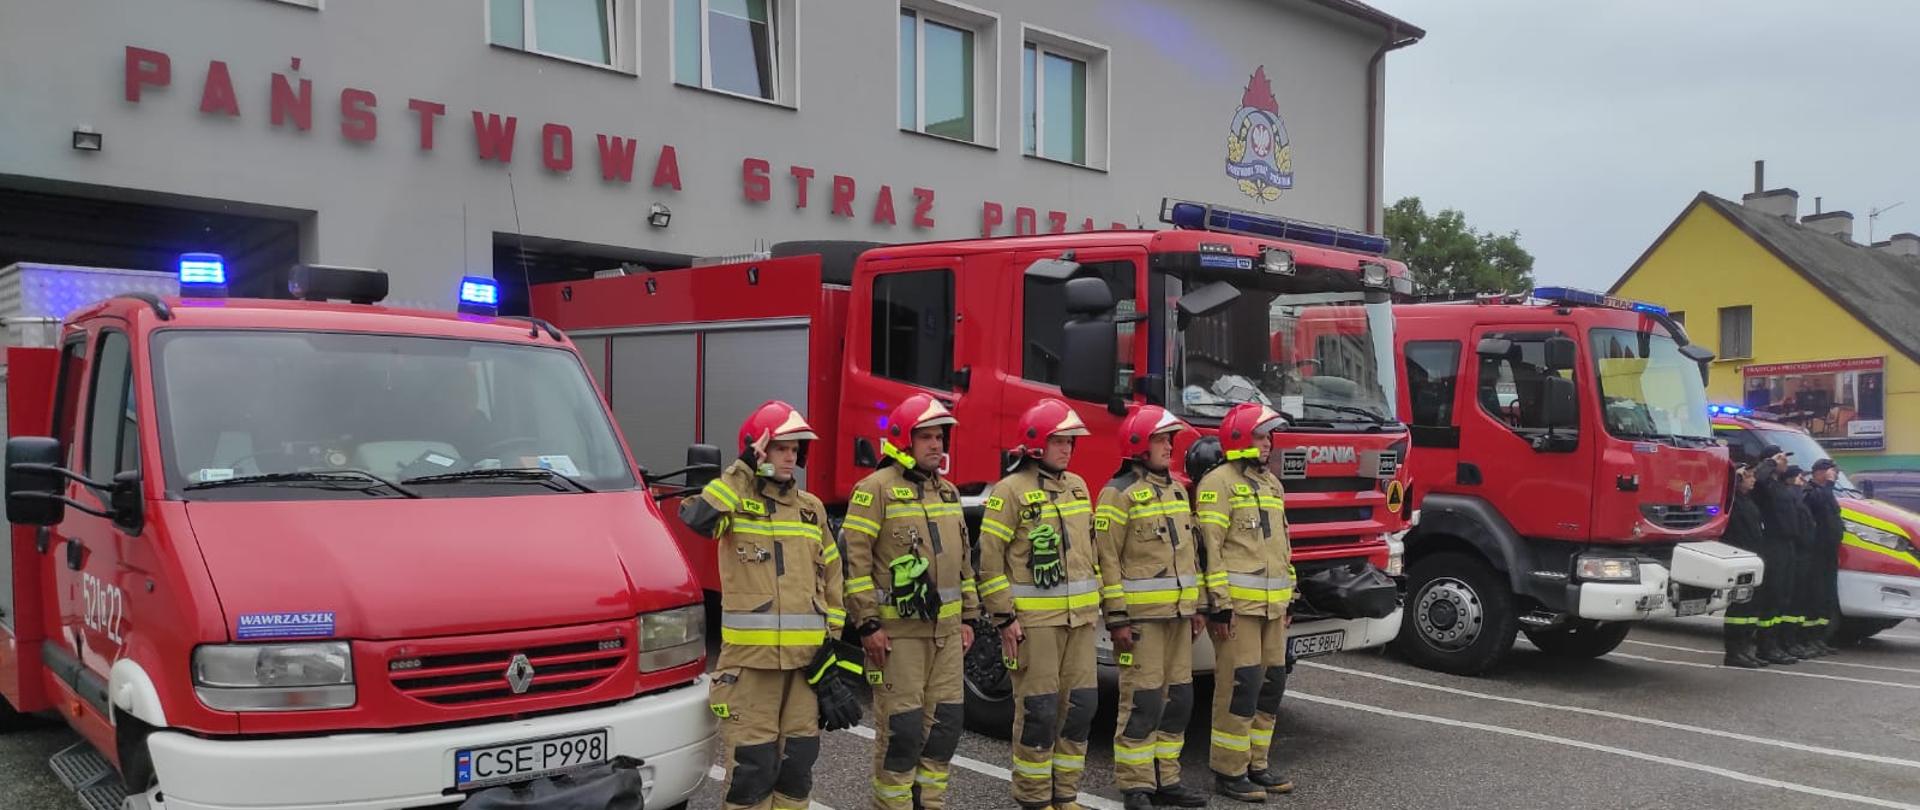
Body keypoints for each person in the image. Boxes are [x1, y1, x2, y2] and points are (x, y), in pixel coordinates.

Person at [680, 401, 847, 810]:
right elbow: (697, 518)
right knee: (751, 774)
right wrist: (740, 470)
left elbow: (832, 578)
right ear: (759, 450)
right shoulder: (734, 502)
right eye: (780, 448)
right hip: (751, 668)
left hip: (806, 667)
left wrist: (832, 645)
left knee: (797, 769)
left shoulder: (812, 509)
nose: (791, 456)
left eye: (795, 449)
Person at [839, 394, 980, 810]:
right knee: (901, 731)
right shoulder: (874, 490)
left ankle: (929, 804)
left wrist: (970, 618)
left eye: (940, 437)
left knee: (945, 728)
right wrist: (867, 626)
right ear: (904, 440)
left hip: (947, 637)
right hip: (897, 639)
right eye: (927, 438)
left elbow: (964, 564)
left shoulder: (950, 493)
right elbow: (855, 563)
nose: (937, 446)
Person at [978, 399, 1102, 810]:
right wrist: (1003, 617)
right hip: (1035, 625)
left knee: (1080, 708)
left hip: (1080, 623)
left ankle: (1065, 793)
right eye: (1058, 441)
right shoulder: (1009, 492)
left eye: (1070, 441)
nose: (1067, 449)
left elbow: (1091, 551)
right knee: (1039, 711)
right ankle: (1033, 797)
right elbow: (990, 560)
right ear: (1035, 443)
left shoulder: (1079, 486)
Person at [1095, 406, 1210, 810]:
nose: (1169, 447)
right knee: (1141, 702)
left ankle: (1168, 779)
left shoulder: (1177, 490)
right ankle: (1135, 785)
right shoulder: (1117, 492)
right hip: (1141, 623)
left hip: (1179, 618)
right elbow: (1106, 561)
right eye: (1162, 440)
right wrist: (1117, 618)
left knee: (1179, 700)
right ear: (1138, 444)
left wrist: (1197, 606)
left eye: (1170, 440)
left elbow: (1189, 555)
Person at [1195, 402, 1296, 802]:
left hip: (1273, 608)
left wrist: (1291, 596)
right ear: (1239, 439)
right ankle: (1229, 770)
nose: (1268, 442)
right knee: (1240, 687)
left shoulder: (1271, 485)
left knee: (1271, 685)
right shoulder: (1216, 484)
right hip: (1238, 611)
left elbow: (1283, 547)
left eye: (1269, 435)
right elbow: (1210, 551)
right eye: (1260, 435)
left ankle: (1258, 763)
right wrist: (1217, 605)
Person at [1749, 448, 1802, 665]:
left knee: (1783, 597)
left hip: (1788, 545)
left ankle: (1776, 643)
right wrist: (1770, 461)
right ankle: (1765, 646)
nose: (1785, 462)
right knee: (1772, 597)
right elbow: (1760, 477)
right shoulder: (1764, 484)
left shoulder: (1780, 485)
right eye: (1781, 458)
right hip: (1772, 544)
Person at [1719, 464, 1768, 668]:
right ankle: (1733, 652)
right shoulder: (1732, 500)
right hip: (1739, 556)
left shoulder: (1749, 501)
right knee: (1739, 606)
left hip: (1753, 557)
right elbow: (1725, 488)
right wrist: (1734, 477)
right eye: (1749, 477)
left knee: (1752, 605)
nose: (1753, 480)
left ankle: (1745, 649)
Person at [1802, 459, 1846, 656]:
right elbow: (1818, 503)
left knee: (1826, 597)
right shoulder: (1809, 490)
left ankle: (1820, 638)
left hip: (1829, 552)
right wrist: (1828, 484)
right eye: (1830, 472)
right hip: (1816, 552)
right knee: (1815, 596)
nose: (1834, 476)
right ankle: (1808, 639)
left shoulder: (1828, 492)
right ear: (1819, 473)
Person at [1782, 465, 1823, 659]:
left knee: (1800, 600)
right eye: (1799, 477)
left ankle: (1795, 640)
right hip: (1797, 554)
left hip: (1804, 553)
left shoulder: (1798, 497)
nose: (1802, 481)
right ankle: (1788, 641)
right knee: (1793, 600)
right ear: (1790, 479)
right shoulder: (1792, 497)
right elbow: (1795, 526)